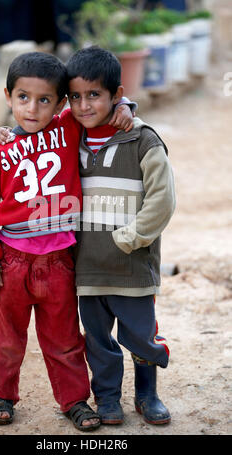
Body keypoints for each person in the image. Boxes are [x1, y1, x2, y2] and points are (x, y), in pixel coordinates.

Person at [0, 51, 134, 431]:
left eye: (44, 100)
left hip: (60, 260)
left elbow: (99, 105)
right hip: (12, 262)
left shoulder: (67, 128)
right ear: (8, 97)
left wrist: (124, 104)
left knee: (63, 339)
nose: (32, 108)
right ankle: (1, 394)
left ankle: (74, 400)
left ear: (60, 103)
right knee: (7, 337)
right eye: (23, 98)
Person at [65, 46, 176, 426]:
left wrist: (131, 238)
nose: (83, 106)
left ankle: (148, 394)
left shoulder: (141, 138)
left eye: (94, 95)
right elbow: (35, 126)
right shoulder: (69, 138)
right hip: (88, 269)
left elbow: (162, 199)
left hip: (132, 264)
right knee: (98, 342)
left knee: (142, 337)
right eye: (75, 97)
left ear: (116, 94)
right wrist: (6, 132)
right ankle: (108, 399)